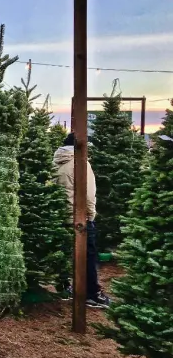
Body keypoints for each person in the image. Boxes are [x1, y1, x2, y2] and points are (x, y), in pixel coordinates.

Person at [53, 132, 110, 308]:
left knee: (62, 254)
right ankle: (92, 294)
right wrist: (91, 216)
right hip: (80, 218)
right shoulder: (81, 163)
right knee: (88, 256)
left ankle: (63, 287)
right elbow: (89, 194)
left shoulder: (56, 162)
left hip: (60, 216)